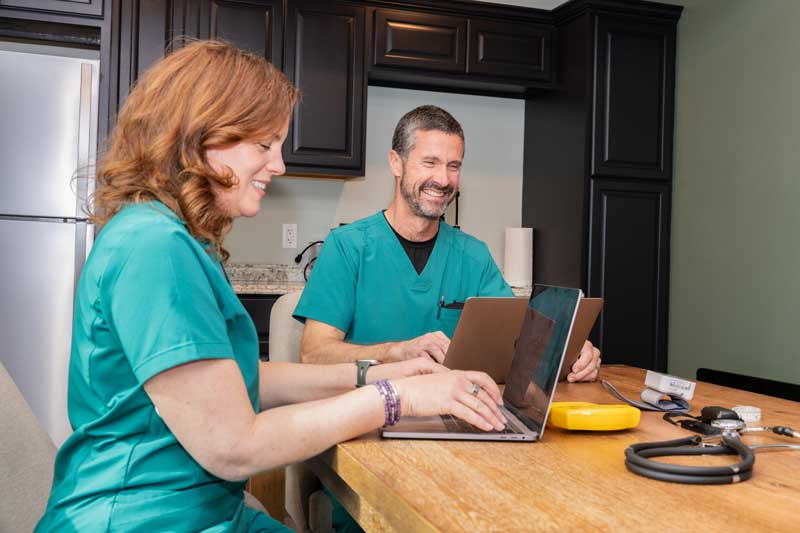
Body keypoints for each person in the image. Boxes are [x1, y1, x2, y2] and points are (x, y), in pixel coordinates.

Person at [34, 41, 509, 533]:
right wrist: (396, 398)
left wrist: (377, 374)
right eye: (264, 146)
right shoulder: (154, 247)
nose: (279, 165)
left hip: (195, 510)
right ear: (199, 137)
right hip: (139, 519)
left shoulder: (176, 239)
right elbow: (233, 445)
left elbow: (244, 382)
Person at [294, 105, 601, 382]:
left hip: (453, 414)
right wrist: (398, 352)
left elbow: (522, 338)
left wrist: (573, 350)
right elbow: (314, 354)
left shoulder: (474, 255)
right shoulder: (347, 247)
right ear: (396, 163)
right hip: (369, 414)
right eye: (430, 162)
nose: (443, 179)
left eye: (453, 166)